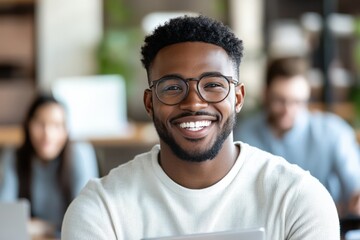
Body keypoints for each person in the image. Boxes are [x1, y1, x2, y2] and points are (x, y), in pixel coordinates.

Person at [62, 15, 339, 239]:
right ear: (149, 103)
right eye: (172, 87)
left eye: (213, 85)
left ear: (238, 97)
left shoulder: (298, 200)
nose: (194, 103)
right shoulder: (100, 210)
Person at [234, 56, 360, 217]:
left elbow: (355, 187)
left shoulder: (334, 132)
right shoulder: (244, 134)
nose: (288, 110)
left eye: (297, 102)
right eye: (280, 100)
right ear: (265, 94)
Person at [0, 94, 99, 239]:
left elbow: (85, 218)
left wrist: (45, 227)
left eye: (56, 125)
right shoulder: (14, 156)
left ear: (67, 130)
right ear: (28, 125)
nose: (48, 134)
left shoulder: (80, 154)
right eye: (40, 124)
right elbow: (5, 217)